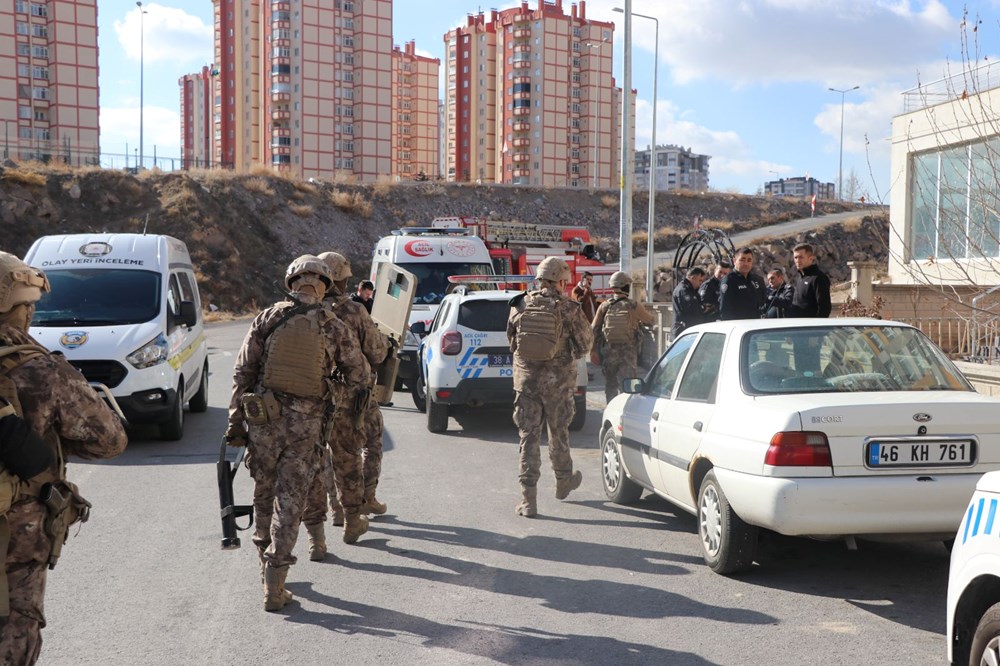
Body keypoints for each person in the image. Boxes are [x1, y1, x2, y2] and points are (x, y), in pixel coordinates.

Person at [0, 251, 127, 663]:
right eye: (28, 306)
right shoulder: (40, 371)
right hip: (16, 535)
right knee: (15, 631)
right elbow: (109, 441)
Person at [224, 255, 369, 612]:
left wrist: (234, 422)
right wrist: (333, 389)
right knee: (290, 502)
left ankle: (263, 567)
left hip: (263, 421)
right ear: (324, 286)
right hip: (306, 427)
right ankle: (276, 584)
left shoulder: (269, 317)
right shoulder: (332, 324)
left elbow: (243, 372)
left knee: (263, 492)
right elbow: (359, 374)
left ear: (291, 283)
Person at [301, 252, 391, 562]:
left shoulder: (306, 310)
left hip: (316, 397)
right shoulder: (353, 311)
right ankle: (363, 504)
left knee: (324, 453)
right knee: (362, 449)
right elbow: (376, 353)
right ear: (344, 279)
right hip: (353, 396)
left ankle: (334, 509)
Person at [507, 257, 593, 518]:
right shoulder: (569, 308)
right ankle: (563, 480)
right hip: (558, 384)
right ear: (561, 281)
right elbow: (586, 345)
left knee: (528, 437)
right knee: (558, 433)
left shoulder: (519, 304)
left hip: (526, 383)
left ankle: (528, 500)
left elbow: (511, 341)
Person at [592, 271, 658, 402]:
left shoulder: (605, 306)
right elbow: (651, 320)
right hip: (628, 353)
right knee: (629, 385)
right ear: (626, 287)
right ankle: (628, 409)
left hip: (609, 352)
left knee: (610, 385)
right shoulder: (633, 305)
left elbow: (594, 328)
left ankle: (611, 408)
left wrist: (593, 351)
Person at [787, 243, 832, 318]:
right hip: (797, 325)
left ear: (811, 258)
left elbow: (824, 308)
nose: (797, 260)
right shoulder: (800, 277)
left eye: (801, 257)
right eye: (795, 257)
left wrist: (814, 328)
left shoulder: (818, 278)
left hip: (809, 327)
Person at [719, 248, 766, 321]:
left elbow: (764, 303)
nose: (746, 263)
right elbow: (725, 311)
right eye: (742, 260)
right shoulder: (729, 281)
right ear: (734, 261)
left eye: (749, 260)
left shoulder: (758, 280)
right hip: (739, 327)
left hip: (757, 325)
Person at [670, 267, 708, 338]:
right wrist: (703, 309)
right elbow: (691, 307)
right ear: (692, 278)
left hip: (687, 330)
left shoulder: (691, 290)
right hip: (682, 331)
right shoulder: (683, 290)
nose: (701, 283)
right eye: (699, 280)